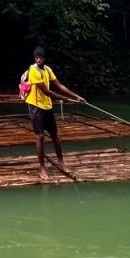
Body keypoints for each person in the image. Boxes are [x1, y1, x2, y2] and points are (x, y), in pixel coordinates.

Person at [23, 46, 85, 181]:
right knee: (40, 136)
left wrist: (76, 96)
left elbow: (58, 85)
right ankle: (42, 169)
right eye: (36, 58)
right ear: (35, 59)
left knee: (55, 134)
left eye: (41, 58)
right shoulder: (33, 70)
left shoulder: (48, 69)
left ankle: (61, 161)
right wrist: (67, 100)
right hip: (36, 106)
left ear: (44, 59)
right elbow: (46, 91)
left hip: (47, 105)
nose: (38, 60)